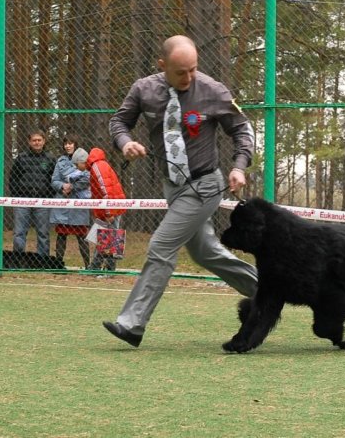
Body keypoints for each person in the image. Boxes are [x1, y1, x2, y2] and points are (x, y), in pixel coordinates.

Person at [102, 35, 258, 348]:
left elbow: (243, 129)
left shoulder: (212, 91)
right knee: (205, 253)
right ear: (162, 65)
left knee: (161, 245)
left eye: (193, 70)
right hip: (172, 186)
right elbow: (119, 122)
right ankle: (273, 289)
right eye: (180, 72)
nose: (188, 77)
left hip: (205, 184)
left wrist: (239, 166)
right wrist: (125, 143)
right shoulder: (144, 89)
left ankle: (132, 324)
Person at [75, 147, 127, 276]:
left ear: (81, 161)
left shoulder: (97, 166)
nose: (77, 168)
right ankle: (96, 268)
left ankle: (108, 271)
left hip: (111, 208)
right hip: (108, 208)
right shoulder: (96, 166)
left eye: (76, 165)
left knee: (110, 238)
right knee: (104, 238)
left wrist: (109, 212)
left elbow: (106, 190)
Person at [8, 130, 55, 256]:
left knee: (43, 233)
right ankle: (17, 259)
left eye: (39, 140)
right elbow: (13, 178)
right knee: (19, 232)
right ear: (29, 142)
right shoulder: (21, 158)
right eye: (34, 140)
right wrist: (17, 195)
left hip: (42, 201)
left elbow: (54, 179)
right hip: (23, 200)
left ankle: (43, 260)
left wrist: (49, 195)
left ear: (44, 141)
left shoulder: (50, 159)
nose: (37, 143)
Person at [50, 136, 91, 268]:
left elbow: (87, 180)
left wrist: (72, 187)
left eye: (70, 143)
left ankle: (88, 265)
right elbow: (54, 180)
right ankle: (58, 265)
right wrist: (63, 187)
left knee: (82, 236)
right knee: (61, 234)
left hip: (79, 203)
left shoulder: (85, 160)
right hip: (63, 202)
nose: (67, 146)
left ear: (75, 144)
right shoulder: (60, 161)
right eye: (65, 144)